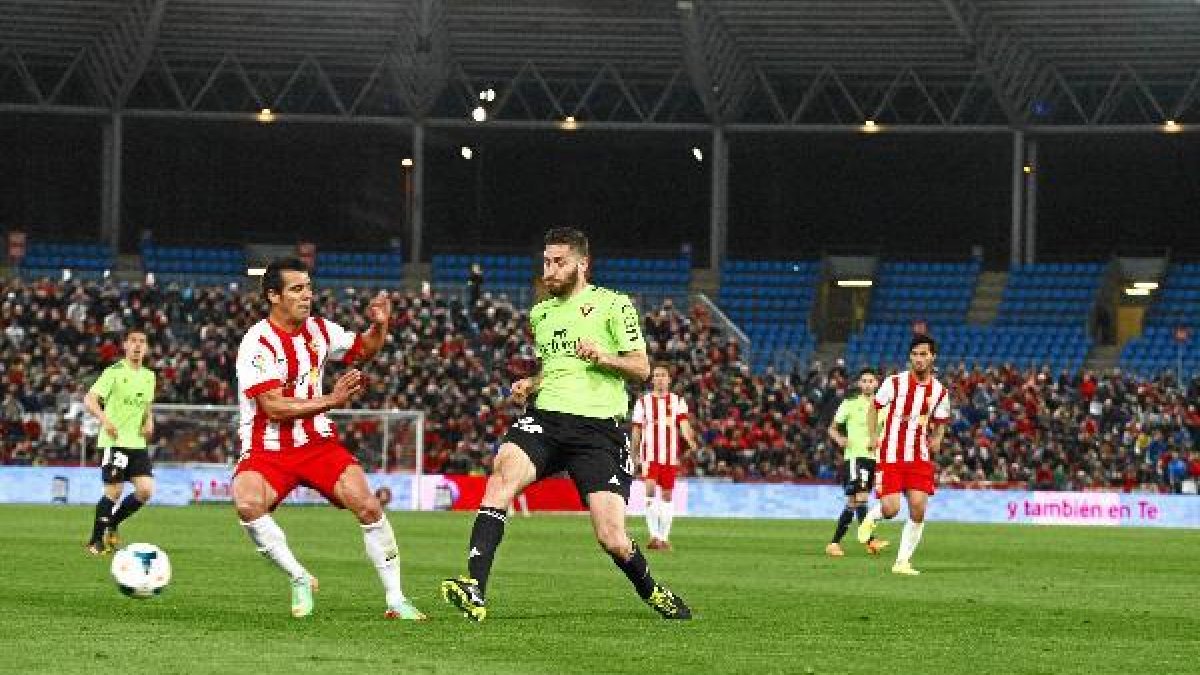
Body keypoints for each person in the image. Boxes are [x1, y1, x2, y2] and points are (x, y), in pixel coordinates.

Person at [440, 227, 692, 622]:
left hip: (598, 431)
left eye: (559, 262)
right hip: (547, 419)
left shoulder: (613, 305)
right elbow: (556, 368)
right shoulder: (540, 314)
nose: (550, 270)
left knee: (612, 538)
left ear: (582, 264)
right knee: (502, 475)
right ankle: (474, 588)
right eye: (546, 262)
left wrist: (604, 357)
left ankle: (653, 591)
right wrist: (532, 383)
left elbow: (641, 368)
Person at [231, 257, 424, 620]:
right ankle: (298, 576)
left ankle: (396, 600)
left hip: (317, 444)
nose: (308, 295)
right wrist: (332, 401)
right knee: (246, 503)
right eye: (297, 289)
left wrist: (379, 326)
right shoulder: (257, 344)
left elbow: (363, 350)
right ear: (273, 295)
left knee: (368, 506)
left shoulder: (320, 330)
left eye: (308, 287)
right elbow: (273, 407)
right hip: (267, 448)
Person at [857, 334, 951, 575]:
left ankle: (902, 562)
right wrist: (873, 435)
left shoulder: (939, 391)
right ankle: (871, 518)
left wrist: (938, 438)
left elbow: (940, 421)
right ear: (910, 357)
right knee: (891, 509)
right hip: (890, 453)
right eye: (915, 355)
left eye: (924, 354)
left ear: (933, 357)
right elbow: (873, 407)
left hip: (919, 456)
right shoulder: (894, 383)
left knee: (918, 509)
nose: (919, 359)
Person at [83, 328, 156, 555]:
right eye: (133, 341)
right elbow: (90, 399)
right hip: (115, 442)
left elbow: (146, 405)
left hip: (137, 444)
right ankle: (95, 541)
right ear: (125, 345)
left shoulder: (149, 376)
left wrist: (149, 421)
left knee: (145, 491)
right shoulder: (113, 372)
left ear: (146, 347)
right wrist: (105, 420)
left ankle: (112, 523)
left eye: (141, 342)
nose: (137, 346)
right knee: (114, 491)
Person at [631, 363, 698, 551]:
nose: (659, 378)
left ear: (669, 379)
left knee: (667, 496)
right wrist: (634, 454)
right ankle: (654, 536)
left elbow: (684, 424)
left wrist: (690, 439)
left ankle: (663, 537)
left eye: (663, 375)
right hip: (649, 455)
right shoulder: (643, 402)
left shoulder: (678, 402)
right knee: (650, 491)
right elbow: (636, 430)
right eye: (656, 375)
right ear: (652, 379)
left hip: (669, 457)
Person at [825, 367, 889, 557]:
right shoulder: (850, 403)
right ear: (860, 384)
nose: (868, 384)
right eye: (865, 381)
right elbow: (832, 428)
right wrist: (840, 440)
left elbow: (885, 432)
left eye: (871, 381)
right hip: (855, 457)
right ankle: (869, 540)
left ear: (877, 384)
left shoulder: (884, 408)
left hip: (874, 459)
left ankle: (834, 543)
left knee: (853, 503)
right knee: (861, 498)